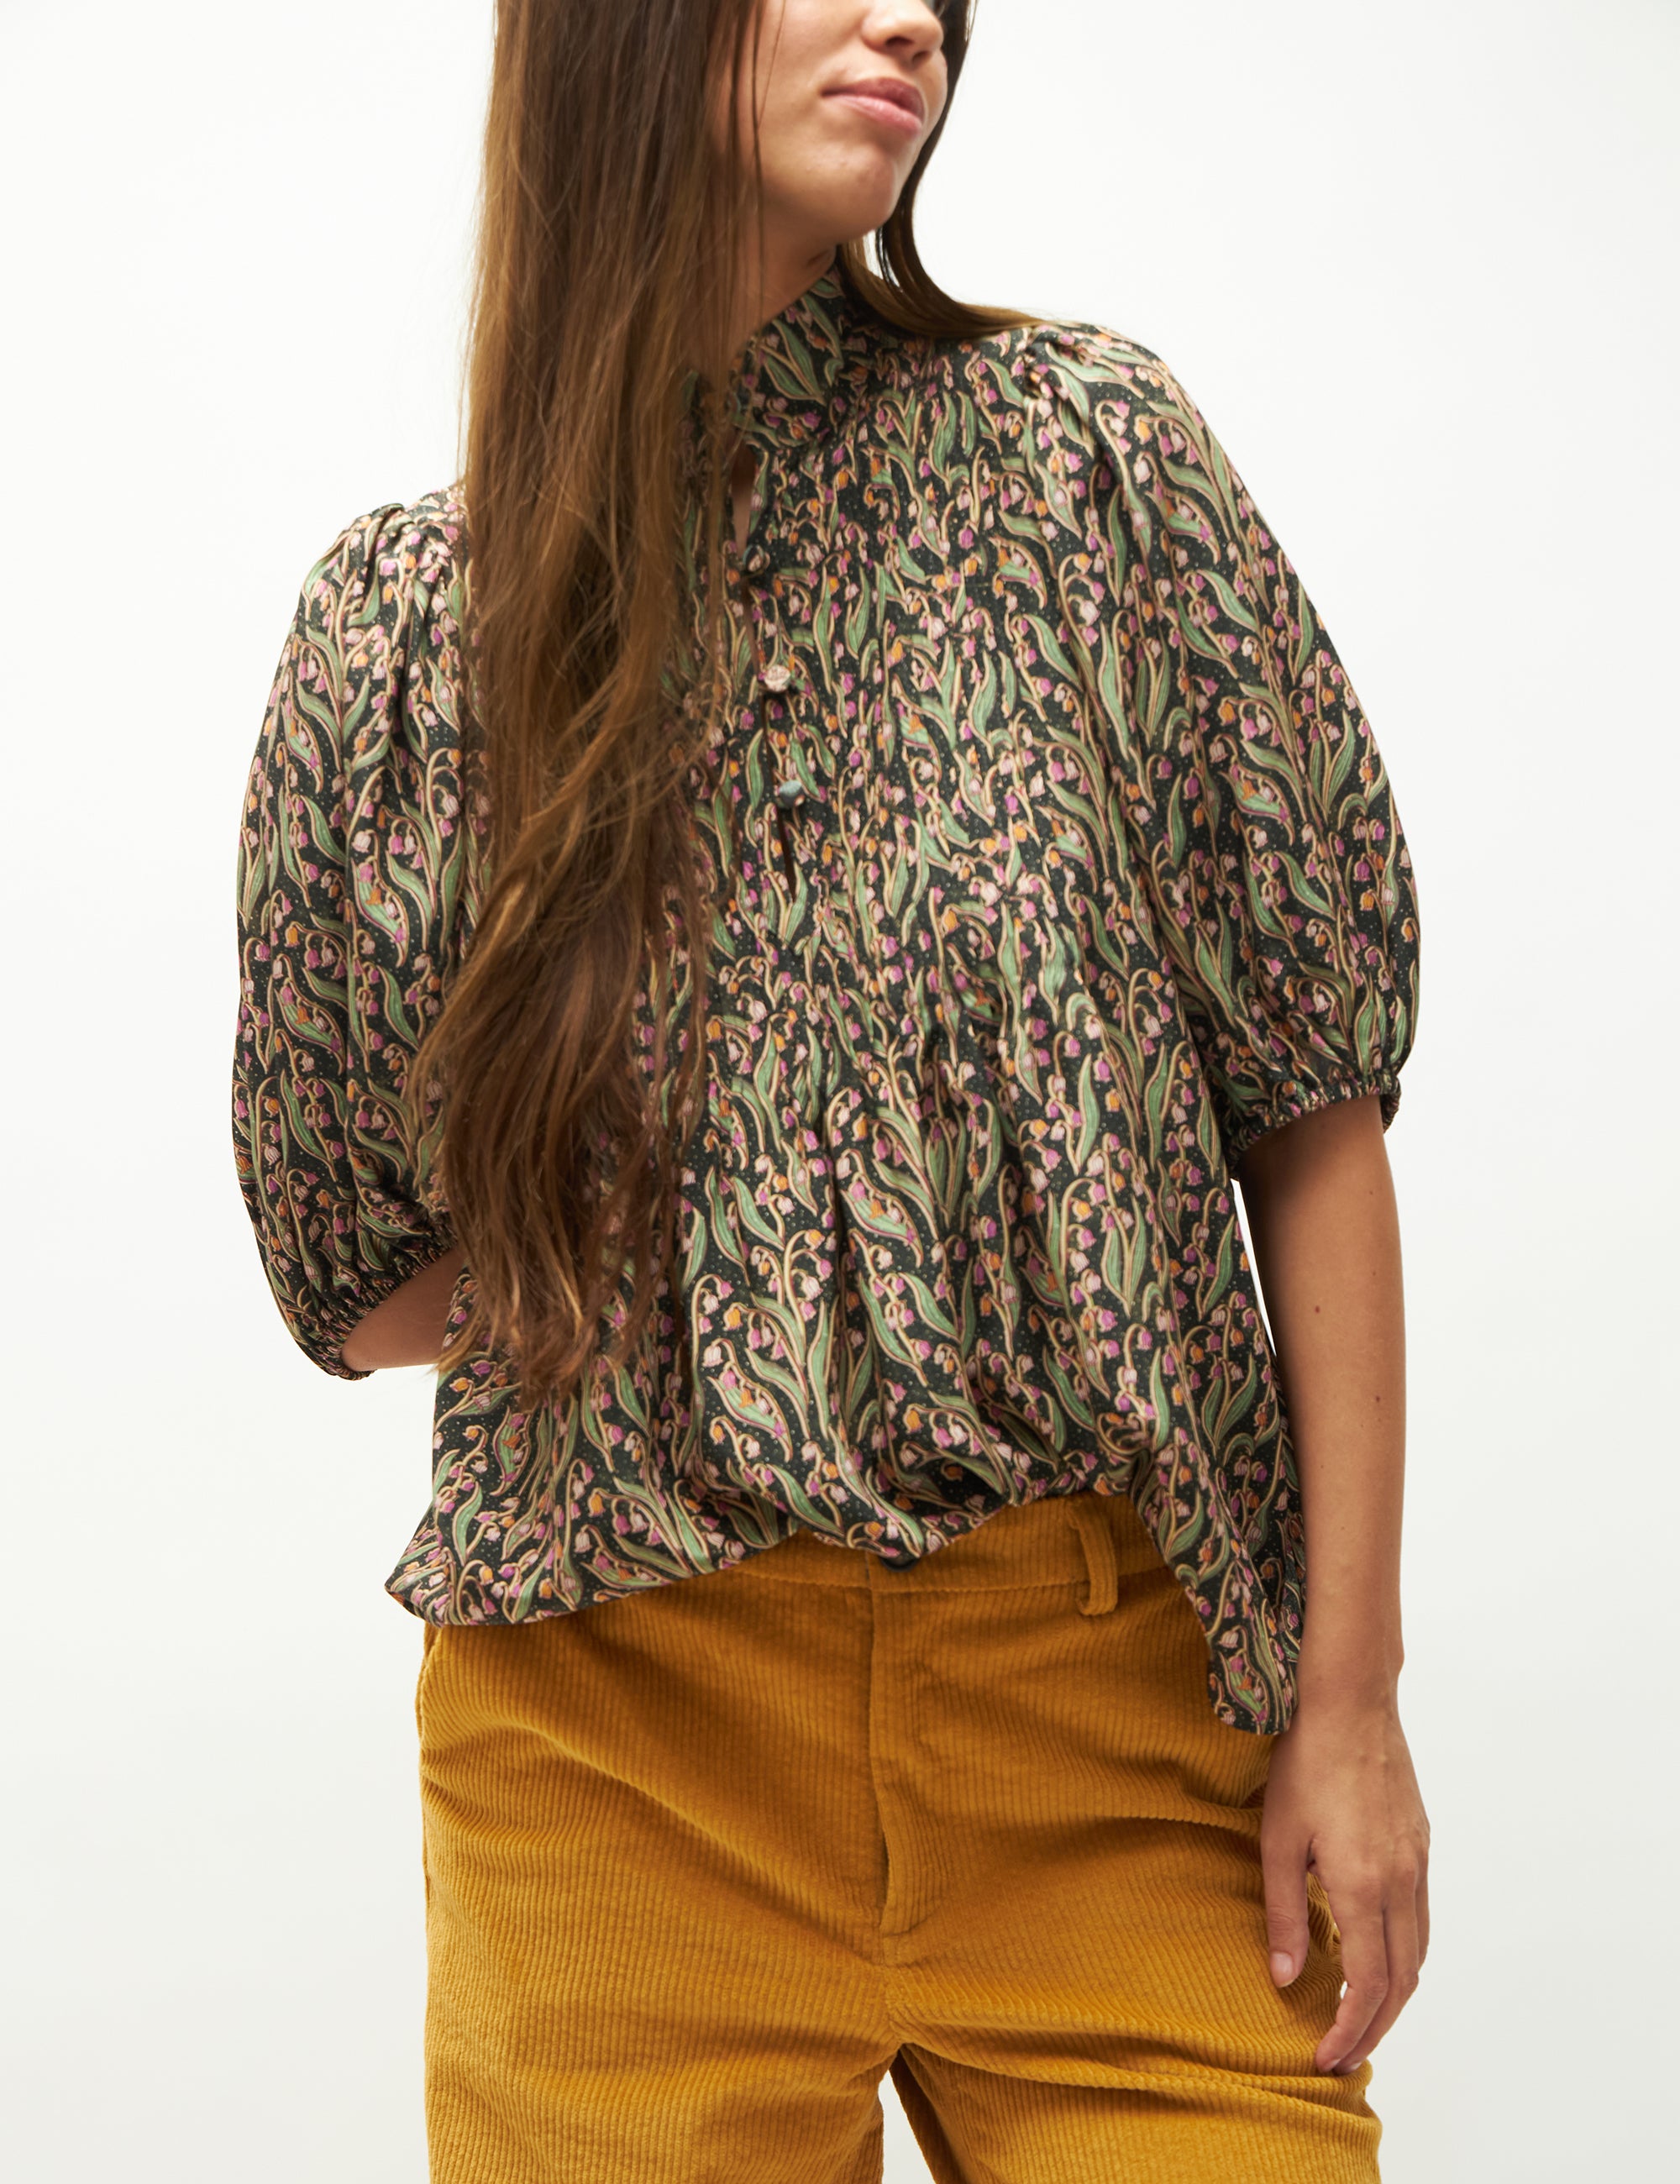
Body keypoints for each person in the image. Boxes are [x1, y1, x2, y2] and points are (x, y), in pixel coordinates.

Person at [232, 2, 1429, 2176]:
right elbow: (347, 1261)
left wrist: (1349, 1702)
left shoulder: (1087, 460)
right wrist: (705, 1297)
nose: (908, 18)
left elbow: (1312, 1100)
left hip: (1115, 1705)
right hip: (615, 1748)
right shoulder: (405, 628)